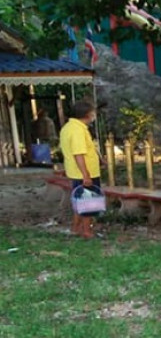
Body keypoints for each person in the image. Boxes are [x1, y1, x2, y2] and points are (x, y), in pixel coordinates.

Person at [59, 102, 101, 239]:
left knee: (80, 200)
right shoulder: (77, 131)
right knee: (88, 202)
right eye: (93, 113)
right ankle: (86, 231)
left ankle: (76, 227)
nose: (94, 116)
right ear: (88, 114)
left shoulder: (70, 127)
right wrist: (86, 175)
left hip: (77, 172)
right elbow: (78, 154)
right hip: (83, 172)